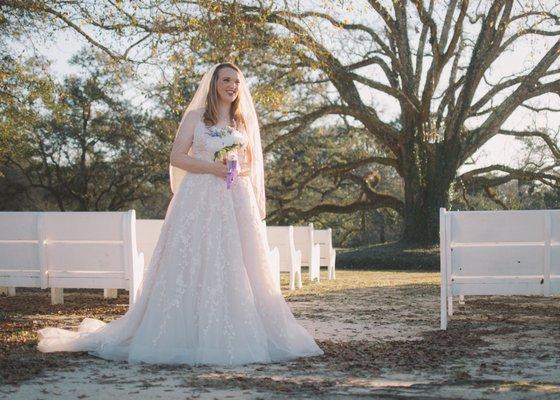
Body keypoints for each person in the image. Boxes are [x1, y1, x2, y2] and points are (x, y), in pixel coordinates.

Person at [37, 62, 324, 366]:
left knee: (237, 262)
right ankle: (184, 331)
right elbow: (177, 156)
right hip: (198, 196)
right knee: (193, 259)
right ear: (214, 83)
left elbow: (253, 165)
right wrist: (213, 167)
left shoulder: (242, 122)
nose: (232, 86)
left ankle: (241, 328)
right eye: (226, 80)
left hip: (235, 198)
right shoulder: (196, 118)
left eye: (237, 82)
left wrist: (236, 168)